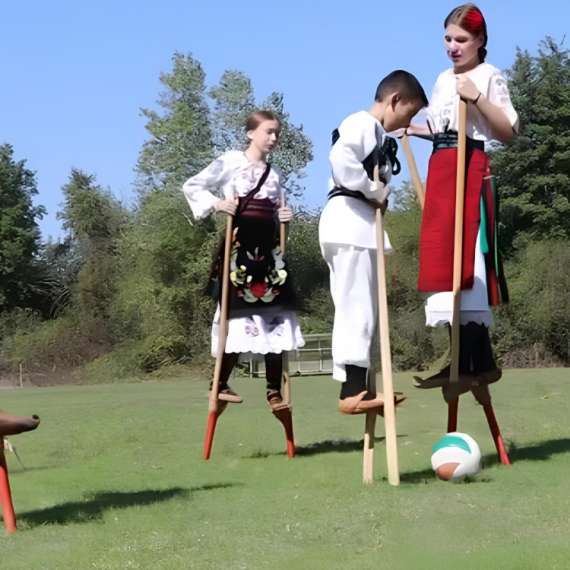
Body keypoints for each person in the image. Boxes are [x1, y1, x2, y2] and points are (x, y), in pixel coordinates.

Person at [406, 4, 518, 392]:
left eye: (462, 40)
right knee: (444, 263)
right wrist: (409, 128)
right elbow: (441, 129)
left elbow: (506, 131)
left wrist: (476, 97)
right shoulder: (440, 79)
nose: (453, 47)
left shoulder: (489, 75)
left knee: (466, 259)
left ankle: (474, 361)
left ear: (480, 41)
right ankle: (469, 360)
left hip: (470, 169)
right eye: (448, 39)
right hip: (442, 167)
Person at [319, 71, 428, 415]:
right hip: (349, 222)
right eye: (408, 114)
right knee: (356, 307)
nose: (406, 123)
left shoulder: (378, 134)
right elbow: (340, 161)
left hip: (359, 223)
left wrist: (379, 195)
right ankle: (352, 392)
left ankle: (362, 388)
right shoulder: (362, 123)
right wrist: (373, 191)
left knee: (364, 308)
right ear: (394, 99)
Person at [182, 110, 304, 411]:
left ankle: (274, 391)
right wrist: (217, 203)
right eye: (268, 132)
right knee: (237, 315)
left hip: (269, 253)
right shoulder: (231, 161)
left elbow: (275, 212)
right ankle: (220, 382)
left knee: (275, 315)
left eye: (277, 133)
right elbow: (193, 186)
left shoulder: (274, 175)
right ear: (251, 133)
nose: (274, 138)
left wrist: (283, 216)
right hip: (240, 249)